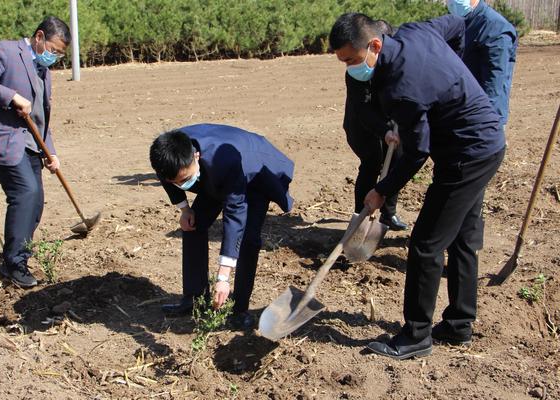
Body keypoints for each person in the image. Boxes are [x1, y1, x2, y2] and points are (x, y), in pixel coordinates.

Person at [329, 13, 505, 359]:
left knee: (426, 243)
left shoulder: (403, 89)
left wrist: (382, 190)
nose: (348, 68)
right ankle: (458, 324)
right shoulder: (416, 31)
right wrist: (454, 71)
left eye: (351, 59)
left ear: (374, 45)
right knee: (464, 237)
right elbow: (457, 25)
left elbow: (418, 153)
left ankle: (415, 336)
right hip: (488, 142)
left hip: (465, 155)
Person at [149, 124, 294, 330]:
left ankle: (239, 308)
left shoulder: (226, 161)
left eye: (186, 180)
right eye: (177, 182)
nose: (182, 185)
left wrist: (223, 277)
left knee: (247, 240)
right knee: (192, 225)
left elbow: (235, 215)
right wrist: (185, 209)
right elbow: (168, 179)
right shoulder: (166, 156)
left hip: (253, 175)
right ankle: (195, 298)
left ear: (196, 156)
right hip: (212, 176)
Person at [0, 17, 70, 287]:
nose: (54, 57)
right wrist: (10, 96)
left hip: (32, 143)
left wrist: (51, 152)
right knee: (25, 193)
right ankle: (15, 264)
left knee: (35, 202)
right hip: (3, 139)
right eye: (53, 50)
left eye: (59, 54)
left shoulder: (43, 70)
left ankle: (18, 251)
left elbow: (40, 116)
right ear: (39, 37)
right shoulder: (6, 51)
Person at [342, 19, 408, 231]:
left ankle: (389, 213)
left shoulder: (395, 60)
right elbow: (362, 110)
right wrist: (383, 130)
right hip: (360, 122)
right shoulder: (356, 69)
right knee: (371, 163)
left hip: (391, 118)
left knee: (396, 161)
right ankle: (360, 218)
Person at [448, 0, 517, 127]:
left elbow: (493, 87)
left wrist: (486, 127)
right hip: (458, 113)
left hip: (481, 120)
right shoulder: (458, 22)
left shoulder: (495, 28)